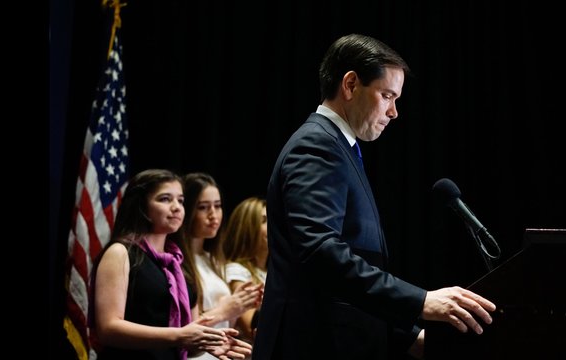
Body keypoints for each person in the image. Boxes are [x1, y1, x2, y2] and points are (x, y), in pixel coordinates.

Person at [252, 34, 497, 360]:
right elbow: (319, 252)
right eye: (387, 96)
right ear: (351, 85)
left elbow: (345, 280)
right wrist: (420, 301)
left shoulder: (340, 148)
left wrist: (406, 335)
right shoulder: (317, 146)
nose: (394, 112)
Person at [89, 169, 252, 360]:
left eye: (181, 200)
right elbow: (108, 328)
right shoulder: (120, 253)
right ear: (142, 206)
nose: (176, 207)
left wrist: (209, 342)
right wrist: (179, 335)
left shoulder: (178, 264)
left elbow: (188, 339)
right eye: (165, 199)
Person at [181, 173, 264, 359]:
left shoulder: (213, 260)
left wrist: (241, 305)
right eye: (203, 207)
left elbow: (226, 324)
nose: (213, 215)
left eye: (217, 206)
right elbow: (183, 328)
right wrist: (224, 310)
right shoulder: (178, 260)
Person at [222, 196, 268, 344]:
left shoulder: (270, 271)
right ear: (248, 228)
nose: (274, 225)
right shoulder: (236, 270)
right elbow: (250, 327)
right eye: (264, 221)